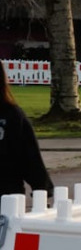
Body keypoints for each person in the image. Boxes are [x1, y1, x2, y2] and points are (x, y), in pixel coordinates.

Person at [0, 60, 54, 199]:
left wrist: (41, 186)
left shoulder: (11, 114)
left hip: (6, 194)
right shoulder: (11, 113)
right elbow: (29, 154)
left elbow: (28, 153)